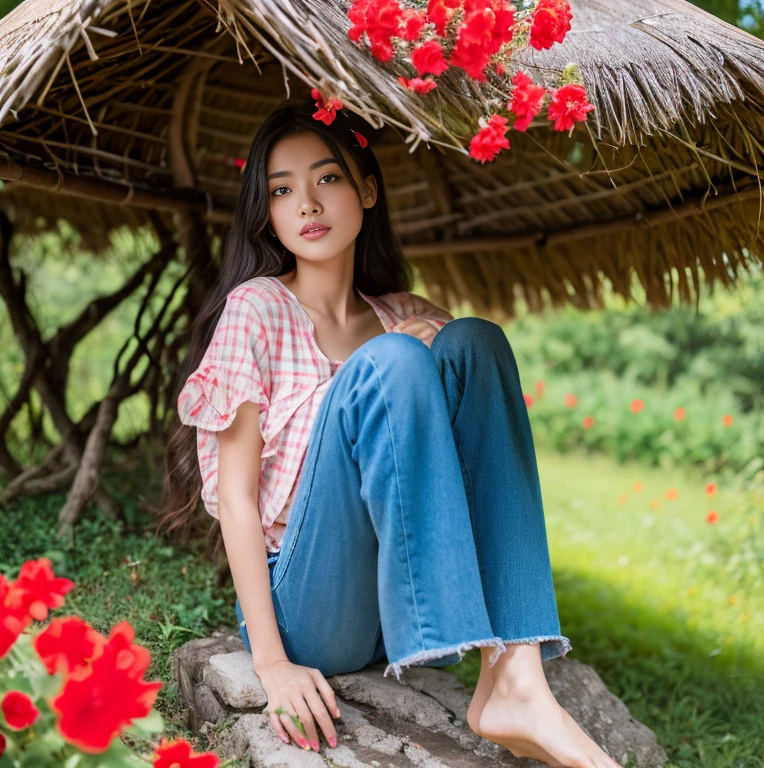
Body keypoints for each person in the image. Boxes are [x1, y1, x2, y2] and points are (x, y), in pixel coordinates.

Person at [160, 98, 622, 768]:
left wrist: (432, 357)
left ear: (366, 189)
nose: (307, 205)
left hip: (389, 605)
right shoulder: (255, 310)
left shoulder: (403, 314)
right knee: (397, 358)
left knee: (476, 343)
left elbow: (470, 439)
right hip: (311, 603)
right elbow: (235, 500)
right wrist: (272, 664)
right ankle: (502, 678)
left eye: (328, 179)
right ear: (266, 213)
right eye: (283, 191)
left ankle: (516, 675)